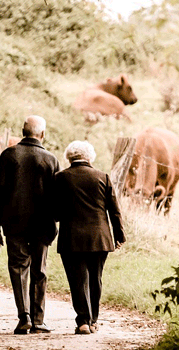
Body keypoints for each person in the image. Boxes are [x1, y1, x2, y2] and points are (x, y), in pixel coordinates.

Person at [0, 115, 60, 335]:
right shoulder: (50, 159)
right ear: (43, 134)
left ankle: (24, 317)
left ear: (22, 131)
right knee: (39, 270)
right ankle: (39, 321)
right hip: (43, 225)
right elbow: (57, 197)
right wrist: (55, 221)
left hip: (14, 224)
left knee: (18, 269)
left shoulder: (9, 155)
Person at [53, 140, 125, 335]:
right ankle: (93, 320)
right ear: (90, 157)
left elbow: (55, 212)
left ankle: (83, 321)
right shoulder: (103, 177)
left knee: (77, 280)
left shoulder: (60, 178)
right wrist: (119, 236)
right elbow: (114, 211)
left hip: (71, 238)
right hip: (100, 237)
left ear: (69, 156)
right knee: (96, 278)